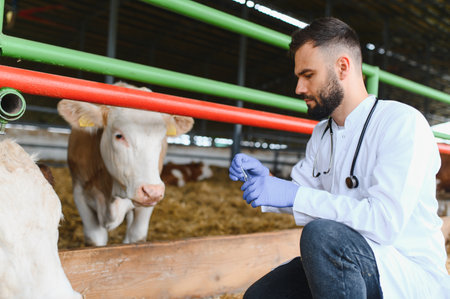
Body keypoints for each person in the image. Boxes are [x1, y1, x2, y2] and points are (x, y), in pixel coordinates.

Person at [229, 17, 450, 299]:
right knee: (263, 295)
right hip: (345, 261)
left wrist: (293, 195)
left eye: (308, 75)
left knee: (323, 236)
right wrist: (268, 184)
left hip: (406, 274)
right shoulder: (322, 134)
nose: (298, 88)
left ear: (342, 67)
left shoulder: (401, 123)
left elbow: (384, 222)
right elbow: (300, 192)